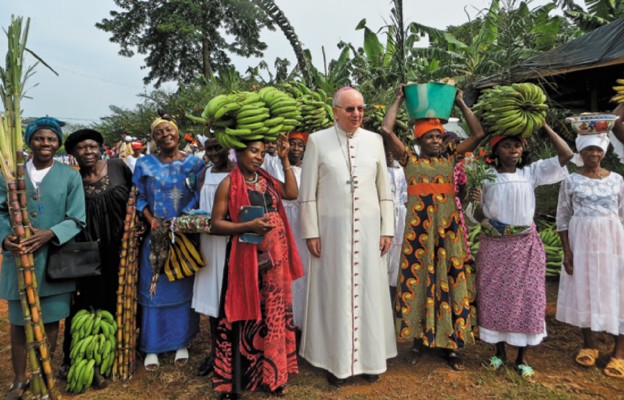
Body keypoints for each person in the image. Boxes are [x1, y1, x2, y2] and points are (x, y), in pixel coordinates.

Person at [380, 86, 484, 370]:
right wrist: (398, 98)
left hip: (448, 236)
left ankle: (451, 345)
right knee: (419, 285)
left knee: (451, 283)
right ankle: (418, 342)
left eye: (439, 135)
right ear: (419, 140)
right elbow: (387, 131)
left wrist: (461, 102)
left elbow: (477, 135)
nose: (436, 140)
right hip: (418, 238)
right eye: (430, 136)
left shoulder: (450, 159)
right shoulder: (409, 161)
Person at [299, 87, 396, 386]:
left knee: (369, 292)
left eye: (361, 109)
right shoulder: (317, 141)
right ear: (335, 111)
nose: (357, 114)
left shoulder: (375, 141)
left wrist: (387, 229)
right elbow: (307, 193)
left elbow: (384, 191)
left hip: (369, 232)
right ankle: (334, 361)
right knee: (334, 292)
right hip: (331, 232)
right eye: (350, 109)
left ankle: (370, 360)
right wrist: (311, 231)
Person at [473, 126, 572, 382]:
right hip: (494, 247)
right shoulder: (484, 176)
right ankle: (499, 353)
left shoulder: (531, 173)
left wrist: (545, 128)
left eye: (517, 145)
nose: (513, 150)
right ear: (495, 150)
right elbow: (476, 217)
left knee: (527, 298)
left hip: (524, 246)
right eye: (506, 146)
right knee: (494, 296)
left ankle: (522, 358)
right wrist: (475, 200)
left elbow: (567, 154)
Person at [210, 135, 303, 399]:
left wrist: (284, 158)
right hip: (246, 260)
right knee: (245, 314)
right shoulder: (228, 184)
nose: (258, 157)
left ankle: (273, 376)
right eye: (253, 151)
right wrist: (247, 227)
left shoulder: (265, 178)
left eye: (262, 153)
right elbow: (216, 224)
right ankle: (239, 379)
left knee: (272, 315)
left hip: (275, 263)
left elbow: (292, 194)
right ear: (236, 153)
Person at [0, 117, 86, 400]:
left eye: (51, 139)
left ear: (58, 143)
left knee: (50, 319)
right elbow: (1, 211)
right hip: (19, 257)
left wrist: (50, 233)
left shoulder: (69, 176)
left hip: (54, 257)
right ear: (29, 141)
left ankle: (44, 373)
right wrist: (5, 236)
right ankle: (19, 379)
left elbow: (77, 217)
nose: (45, 143)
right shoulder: (10, 174)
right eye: (39, 138)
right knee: (18, 321)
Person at [133, 115, 205, 370]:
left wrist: (181, 219)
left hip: (183, 235)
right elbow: (139, 197)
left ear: (178, 133)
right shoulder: (144, 164)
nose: (165, 134)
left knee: (181, 285)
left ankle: (181, 341)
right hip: (156, 235)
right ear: (153, 139)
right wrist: (152, 220)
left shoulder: (195, 164)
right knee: (154, 287)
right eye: (159, 132)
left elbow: (199, 194)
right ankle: (151, 345)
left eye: (169, 130)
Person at [60, 128, 133, 379]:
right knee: (86, 300)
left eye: (93, 146)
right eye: (82, 148)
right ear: (72, 154)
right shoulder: (73, 181)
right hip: (87, 249)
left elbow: (137, 196)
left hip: (122, 248)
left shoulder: (118, 166)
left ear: (100, 148)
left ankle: (118, 352)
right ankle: (82, 355)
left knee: (120, 296)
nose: (88, 151)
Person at [556, 133, 624, 379]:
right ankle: (589, 344)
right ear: (580, 153)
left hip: (613, 241)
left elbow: (623, 214)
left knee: (617, 290)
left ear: (604, 152)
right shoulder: (570, 180)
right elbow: (563, 217)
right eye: (588, 150)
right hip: (580, 241)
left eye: (598, 150)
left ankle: (619, 353)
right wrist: (567, 251)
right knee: (583, 287)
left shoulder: (617, 180)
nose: (593, 154)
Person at [192, 138, 235, 377]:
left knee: (231, 294)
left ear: (228, 148)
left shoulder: (238, 173)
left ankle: (235, 348)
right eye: (209, 148)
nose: (214, 152)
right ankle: (215, 350)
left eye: (219, 147)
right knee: (212, 296)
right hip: (209, 241)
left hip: (231, 240)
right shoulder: (204, 174)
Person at [283, 132, 309, 335]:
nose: (297, 149)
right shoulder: (276, 164)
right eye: (293, 144)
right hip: (284, 221)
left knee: (303, 271)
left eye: (301, 145)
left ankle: (303, 320)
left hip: (302, 223)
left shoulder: (309, 168)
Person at [385, 150, 407, 304]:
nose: (390, 153)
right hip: (382, 217)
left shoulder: (402, 171)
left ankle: (395, 301)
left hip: (400, 219)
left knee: (397, 260)